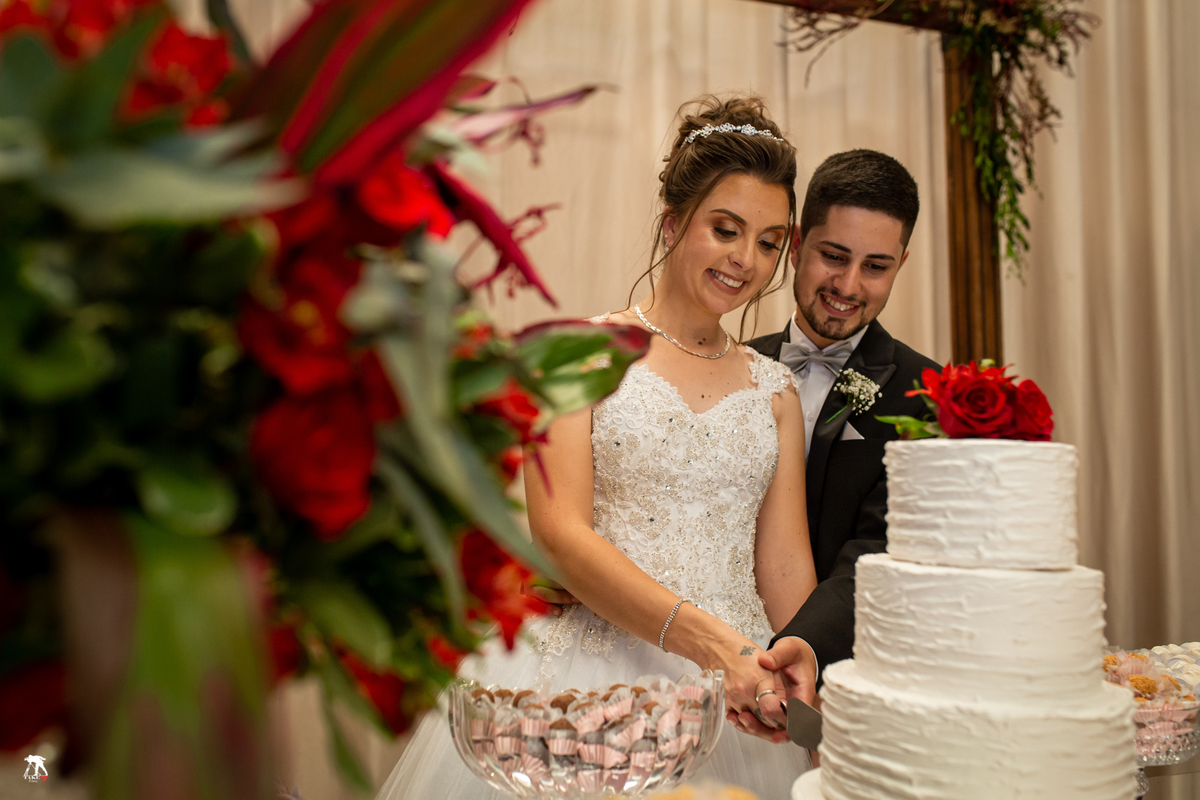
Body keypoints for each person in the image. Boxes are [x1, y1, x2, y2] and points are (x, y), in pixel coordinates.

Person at [373, 95, 817, 800]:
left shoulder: (776, 391)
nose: (746, 260)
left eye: (768, 243)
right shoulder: (578, 354)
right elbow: (559, 535)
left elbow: (786, 567)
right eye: (725, 229)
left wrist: (803, 661)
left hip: (738, 697)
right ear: (673, 223)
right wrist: (711, 644)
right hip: (592, 682)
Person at [732, 149, 941, 743]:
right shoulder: (731, 365)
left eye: (875, 266)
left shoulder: (928, 396)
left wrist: (801, 646)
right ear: (797, 243)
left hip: (839, 685)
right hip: (712, 662)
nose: (848, 286)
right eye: (833, 256)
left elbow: (880, 554)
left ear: (902, 263)